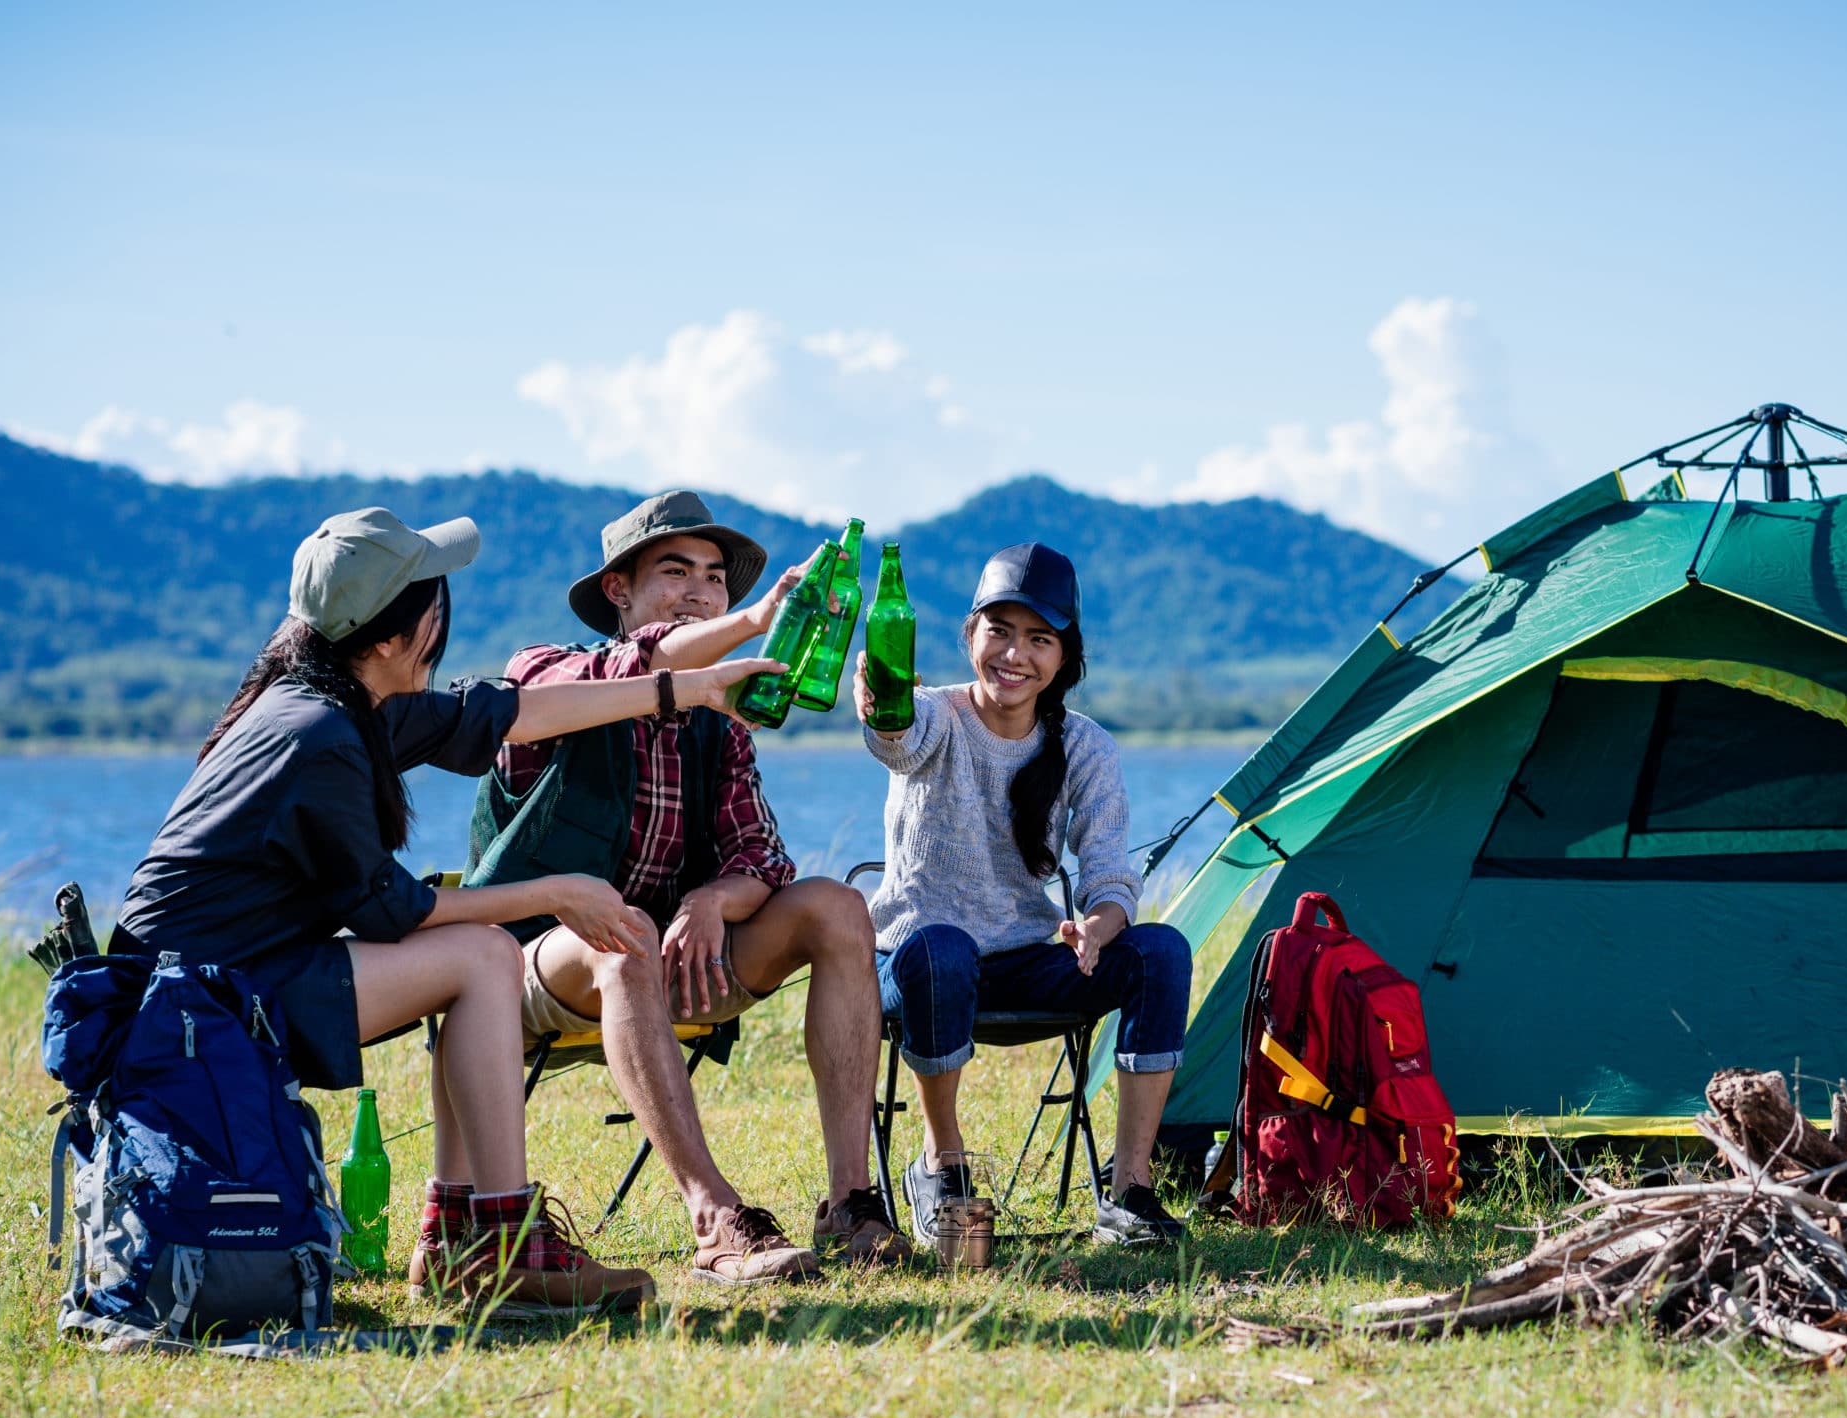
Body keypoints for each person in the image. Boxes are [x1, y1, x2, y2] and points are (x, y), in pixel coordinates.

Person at [112, 506, 779, 1315]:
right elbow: (391, 910)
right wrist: (554, 892)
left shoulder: (343, 698)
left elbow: (509, 713)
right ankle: (494, 1238)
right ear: (392, 638)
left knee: (480, 954)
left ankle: (458, 1231)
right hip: (195, 1002)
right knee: (480, 954)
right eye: (432, 602)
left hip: (220, 977)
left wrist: (687, 690)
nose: (442, 620)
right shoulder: (317, 732)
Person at [477, 491, 906, 1285]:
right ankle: (715, 1219)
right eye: (676, 571)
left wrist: (711, 899)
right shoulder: (546, 669)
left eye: (716, 579)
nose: (702, 592)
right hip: (521, 964)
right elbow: (633, 664)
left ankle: (852, 1202)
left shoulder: (723, 718)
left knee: (836, 906)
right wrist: (754, 623)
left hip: (669, 959)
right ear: (618, 589)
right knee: (624, 933)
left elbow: (761, 861)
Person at [855, 542, 1193, 1247]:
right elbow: (896, 739)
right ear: (969, 636)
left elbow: (1108, 874)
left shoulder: (1087, 747)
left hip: (1021, 960)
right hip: (912, 962)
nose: (1016, 654)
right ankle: (940, 1165)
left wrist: (1099, 927)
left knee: (1161, 949)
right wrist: (877, 703)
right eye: (1000, 631)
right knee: (940, 948)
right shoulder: (935, 715)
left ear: (1064, 657)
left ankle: (1130, 1188)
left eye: (1039, 638)